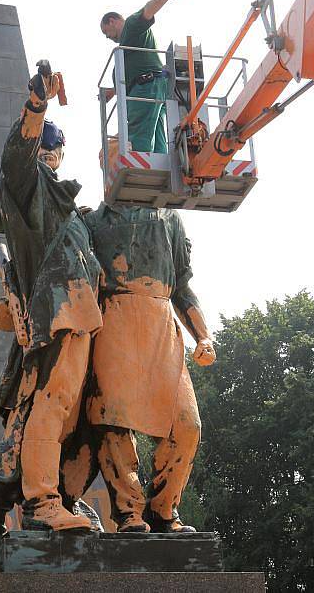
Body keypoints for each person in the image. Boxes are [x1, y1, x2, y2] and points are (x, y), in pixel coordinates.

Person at [0, 62, 103, 543]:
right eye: (51, 148)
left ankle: (2, 504)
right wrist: (36, 105)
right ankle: (42, 501)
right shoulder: (28, 184)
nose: (53, 155)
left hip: (77, 315)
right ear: (55, 152)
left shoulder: (63, 207)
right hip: (58, 313)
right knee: (51, 404)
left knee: (50, 412)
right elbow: (16, 162)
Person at [85, 203, 216, 532]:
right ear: (106, 158)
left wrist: (203, 336)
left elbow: (182, 288)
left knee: (188, 426)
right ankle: (128, 511)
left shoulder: (169, 217)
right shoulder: (91, 221)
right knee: (111, 420)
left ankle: (163, 508)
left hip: (161, 325)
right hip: (113, 319)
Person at [100, 0, 184, 153]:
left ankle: (139, 166)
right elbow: (132, 71)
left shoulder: (131, 26)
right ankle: (159, 166)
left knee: (139, 132)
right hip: (150, 86)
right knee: (156, 132)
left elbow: (147, 10)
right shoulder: (127, 42)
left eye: (106, 31)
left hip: (145, 87)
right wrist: (114, 90)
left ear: (112, 21)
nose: (107, 37)